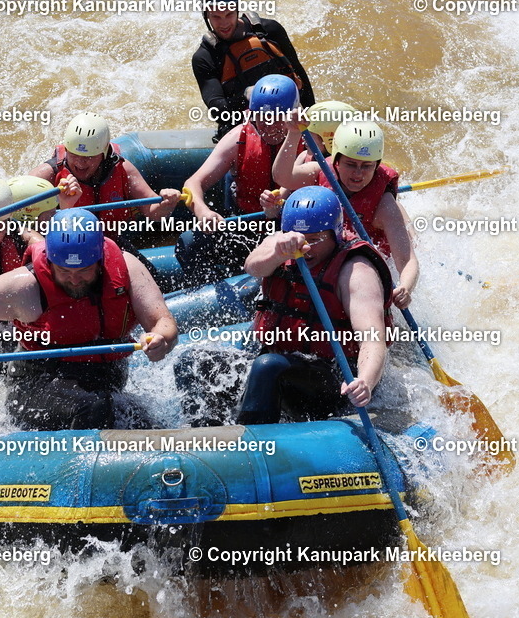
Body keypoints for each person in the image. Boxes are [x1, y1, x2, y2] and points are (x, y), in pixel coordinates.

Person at [0, 209, 178, 431]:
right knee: (94, 407)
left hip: (102, 384)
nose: (74, 280)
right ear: (49, 261)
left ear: (100, 260)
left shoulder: (126, 269)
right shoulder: (26, 285)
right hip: (37, 384)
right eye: (64, 271)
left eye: (84, 271)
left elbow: (163, 321)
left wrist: (161, 338)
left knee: (143, 423)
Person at [236, 186, 397, 424]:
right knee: (194, 362)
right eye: (300, 239)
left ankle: (253, 447)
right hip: (285, 361)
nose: (306, 248)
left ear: (336, 233)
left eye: (315, 239)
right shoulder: (281, 242)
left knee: (268, 366)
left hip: (335, 377)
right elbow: (252, 267)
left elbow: (373, 339)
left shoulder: (356, 272)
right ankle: (208, 437)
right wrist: (279, 254)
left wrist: (365, 381)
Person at [272, 118, 418, 309]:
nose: (358, 174)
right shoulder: (322, 170)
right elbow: (282, 176)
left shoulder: (385, 205)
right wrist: (293, 132)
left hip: (362, 267)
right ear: (337, 161)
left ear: (377, 165)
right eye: (350, 164)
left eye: (366, 166)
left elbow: (407, 260)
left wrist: (406, 287)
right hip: (325, 255)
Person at [175, 74, 302, 286]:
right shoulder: (238, 138)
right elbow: (192, 184)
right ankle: (213, 302)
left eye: (277, 118)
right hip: (245, 230)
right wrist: (203, 212)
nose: (268, 126)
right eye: (261, 117)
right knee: (189, 242)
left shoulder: (311, 143)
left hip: (292, 231)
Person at [28, 112, 183, 275]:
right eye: (75, 154)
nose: (80, 162)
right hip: (61, 251)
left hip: (109, 243)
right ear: (66, 149)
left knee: (152, 276)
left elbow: (153, 212)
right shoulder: (46, 176)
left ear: (104, 154)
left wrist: (167, 203)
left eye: (88, 157)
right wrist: (63, 208)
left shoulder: (122, 169)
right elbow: (20, 224)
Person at [192, 0, 315, 141]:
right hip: (242, 129)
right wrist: (247, 94)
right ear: (206, 15)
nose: (223, 23)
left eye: (229, 14)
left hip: (286, 121)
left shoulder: (270, 31)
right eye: (216, 17)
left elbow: (298, 75)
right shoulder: (204, 57)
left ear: (237, 9)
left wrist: (312, 119)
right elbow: (217, 110)